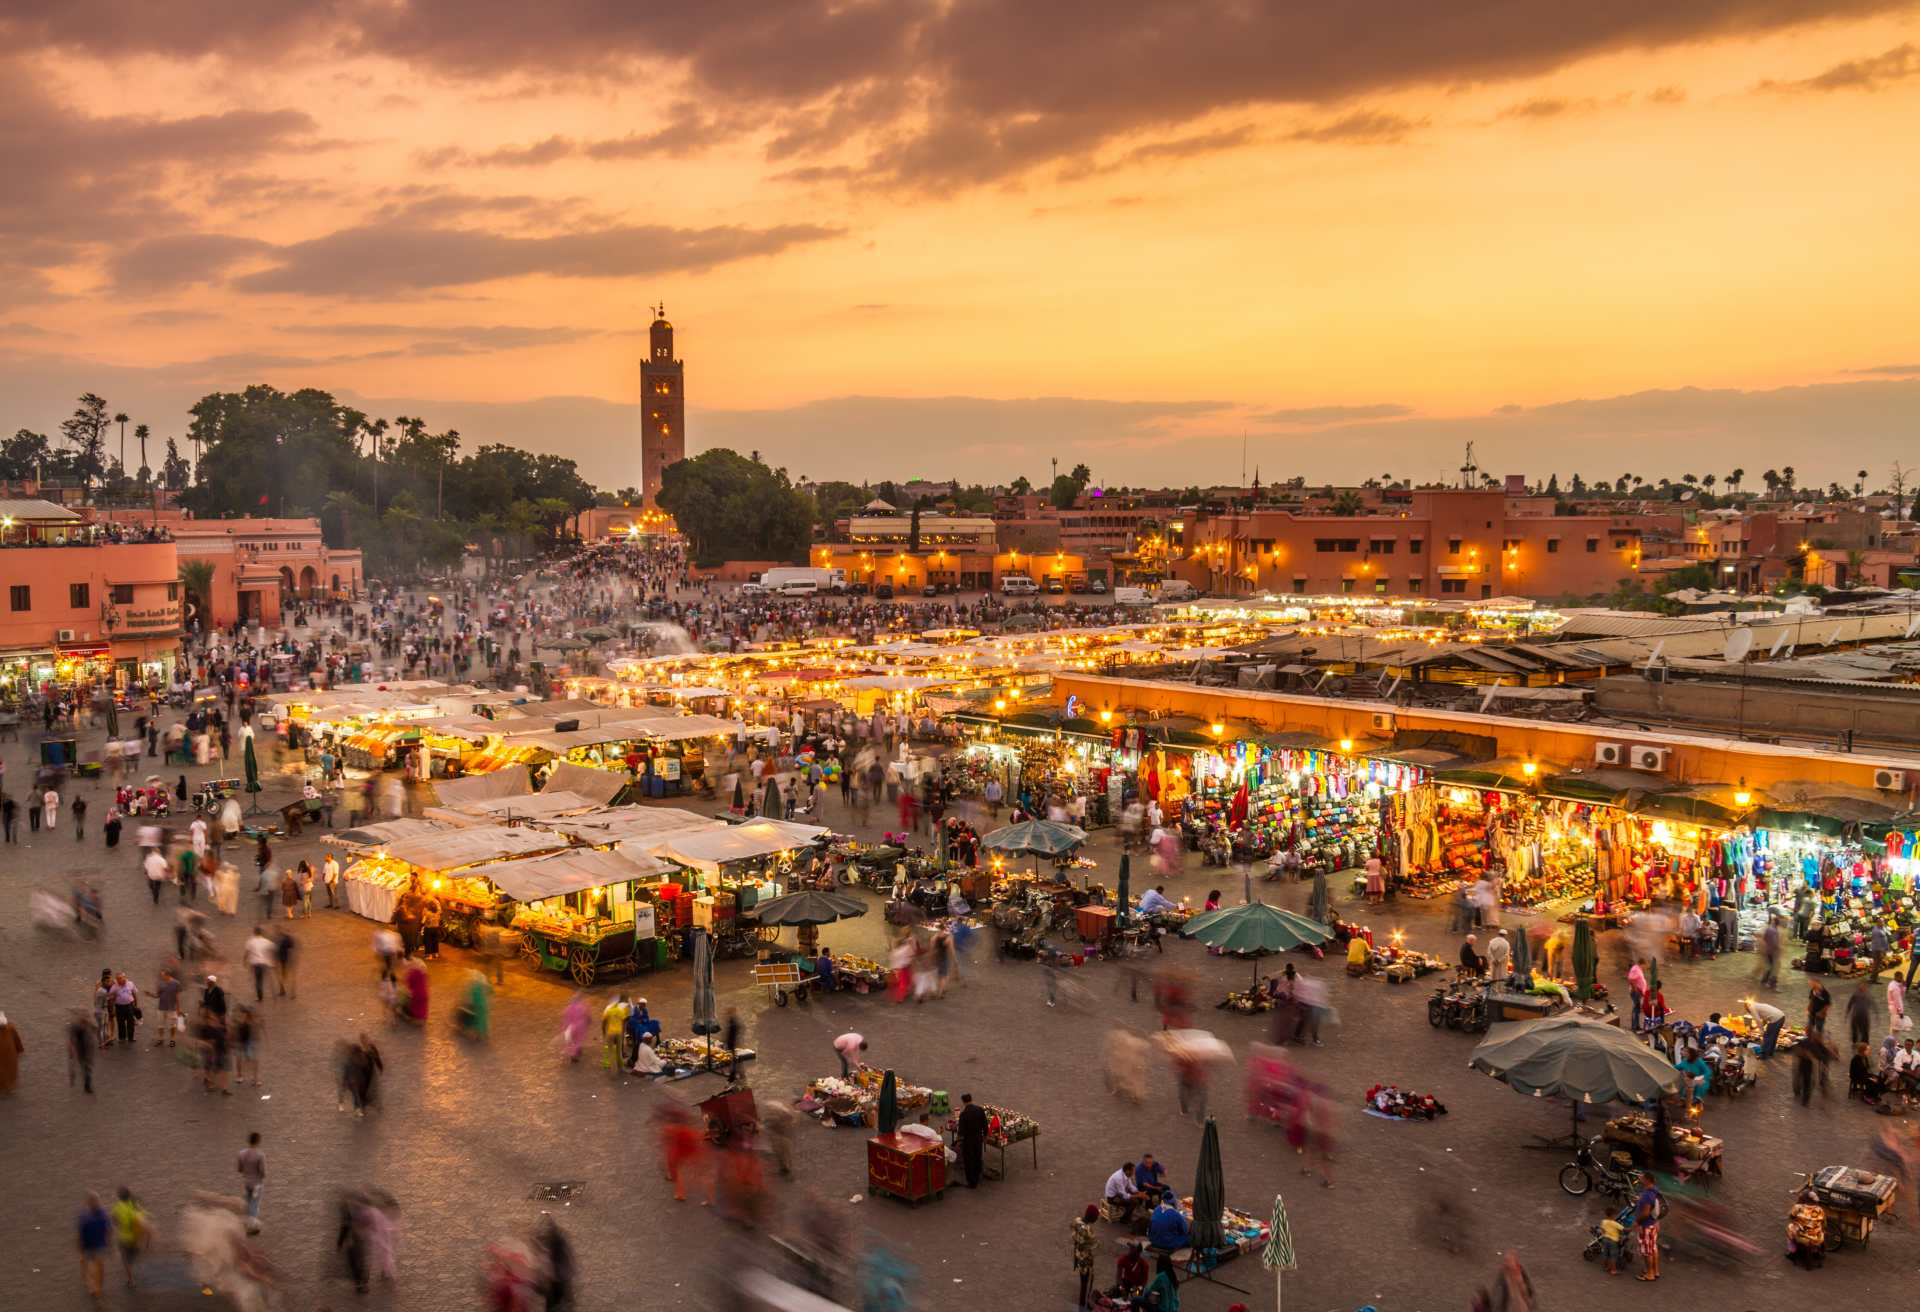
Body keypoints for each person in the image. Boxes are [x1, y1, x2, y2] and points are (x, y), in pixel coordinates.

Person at [110, 1187, 150, 1289]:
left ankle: (131, 1280)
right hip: (136, 1238)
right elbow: (144, 1217)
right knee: (135, 1253)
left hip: (124, 1238)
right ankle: (137, 1265)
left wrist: (120, 1225)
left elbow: (114, 1220)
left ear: (119, 1197)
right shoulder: (134, 1204)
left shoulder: (117, 1207)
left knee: (126, 1260)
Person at [78, 1192, 112, 1301]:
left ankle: (91, 1285)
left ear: (88, 1203)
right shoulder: (103, 1214)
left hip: (89, 1246)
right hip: (100, 1246)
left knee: (87, 1263)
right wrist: (109, 1242)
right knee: (99, 1267)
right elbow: (109, 1230)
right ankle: (98, 1288)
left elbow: (80, 1234)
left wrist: (80, 1246)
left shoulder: (84, 1216)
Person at [1632, 1174, 1662, 1281]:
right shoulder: (1654, 1190)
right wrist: (1640, 1200)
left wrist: (1637, 1222)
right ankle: (1655, 1270)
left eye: (1642, 1178)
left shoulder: (1647, 1195)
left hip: (1646, 1226)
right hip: (1653, 1224)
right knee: (1653, 1248)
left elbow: (1645, 1213)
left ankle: (1649, 1274)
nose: (1640, 1179)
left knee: (1646, 1251)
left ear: (1647, 1180)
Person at [956, 1092, 989, 1188]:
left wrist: (959, 1142)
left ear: (963, 1102)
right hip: (978, 1138)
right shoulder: (979, 1110)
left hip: (968, 1140)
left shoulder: (963, 1114)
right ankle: (978, 1175)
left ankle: (972, 1182)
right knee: (978, 1156)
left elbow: (961, 1131)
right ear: (971, 1099)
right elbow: (985, 1124)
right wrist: (985, 1136)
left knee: (969, 1160)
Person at [1071, 1204, 1100, 1309]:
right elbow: (1095, 1246)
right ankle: (1083, 1304)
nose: (1097, 1219)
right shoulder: (1088, 1231)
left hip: (1077, 1252)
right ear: (1092, 1217)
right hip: (1085, 1259)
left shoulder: (1077, 1221)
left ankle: (1083, 1302)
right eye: (1096, 1217)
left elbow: (1073, 1232)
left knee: (1082, 1280)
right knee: (1085, 1283)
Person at [237, 1132, 266, 1230]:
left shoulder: (241, 1153)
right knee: (255, 1203)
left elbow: (239, 1169)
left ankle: (246, 1221)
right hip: (256, 1183)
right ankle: (252, 1225)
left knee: (247, 1202)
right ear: (258, 1141)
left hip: (246, 1182)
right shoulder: (260, 1155)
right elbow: (262, 1171)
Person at [243, 927, 276, 1003]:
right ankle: (274, 995)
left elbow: (247, 953)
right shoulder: (266, 941)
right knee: (268, 979)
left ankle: (260, 997)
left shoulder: (250, 941)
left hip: (256, 964)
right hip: (265, 963)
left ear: (254, 932)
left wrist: (244, 961)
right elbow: (273, 948)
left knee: (258, 980)